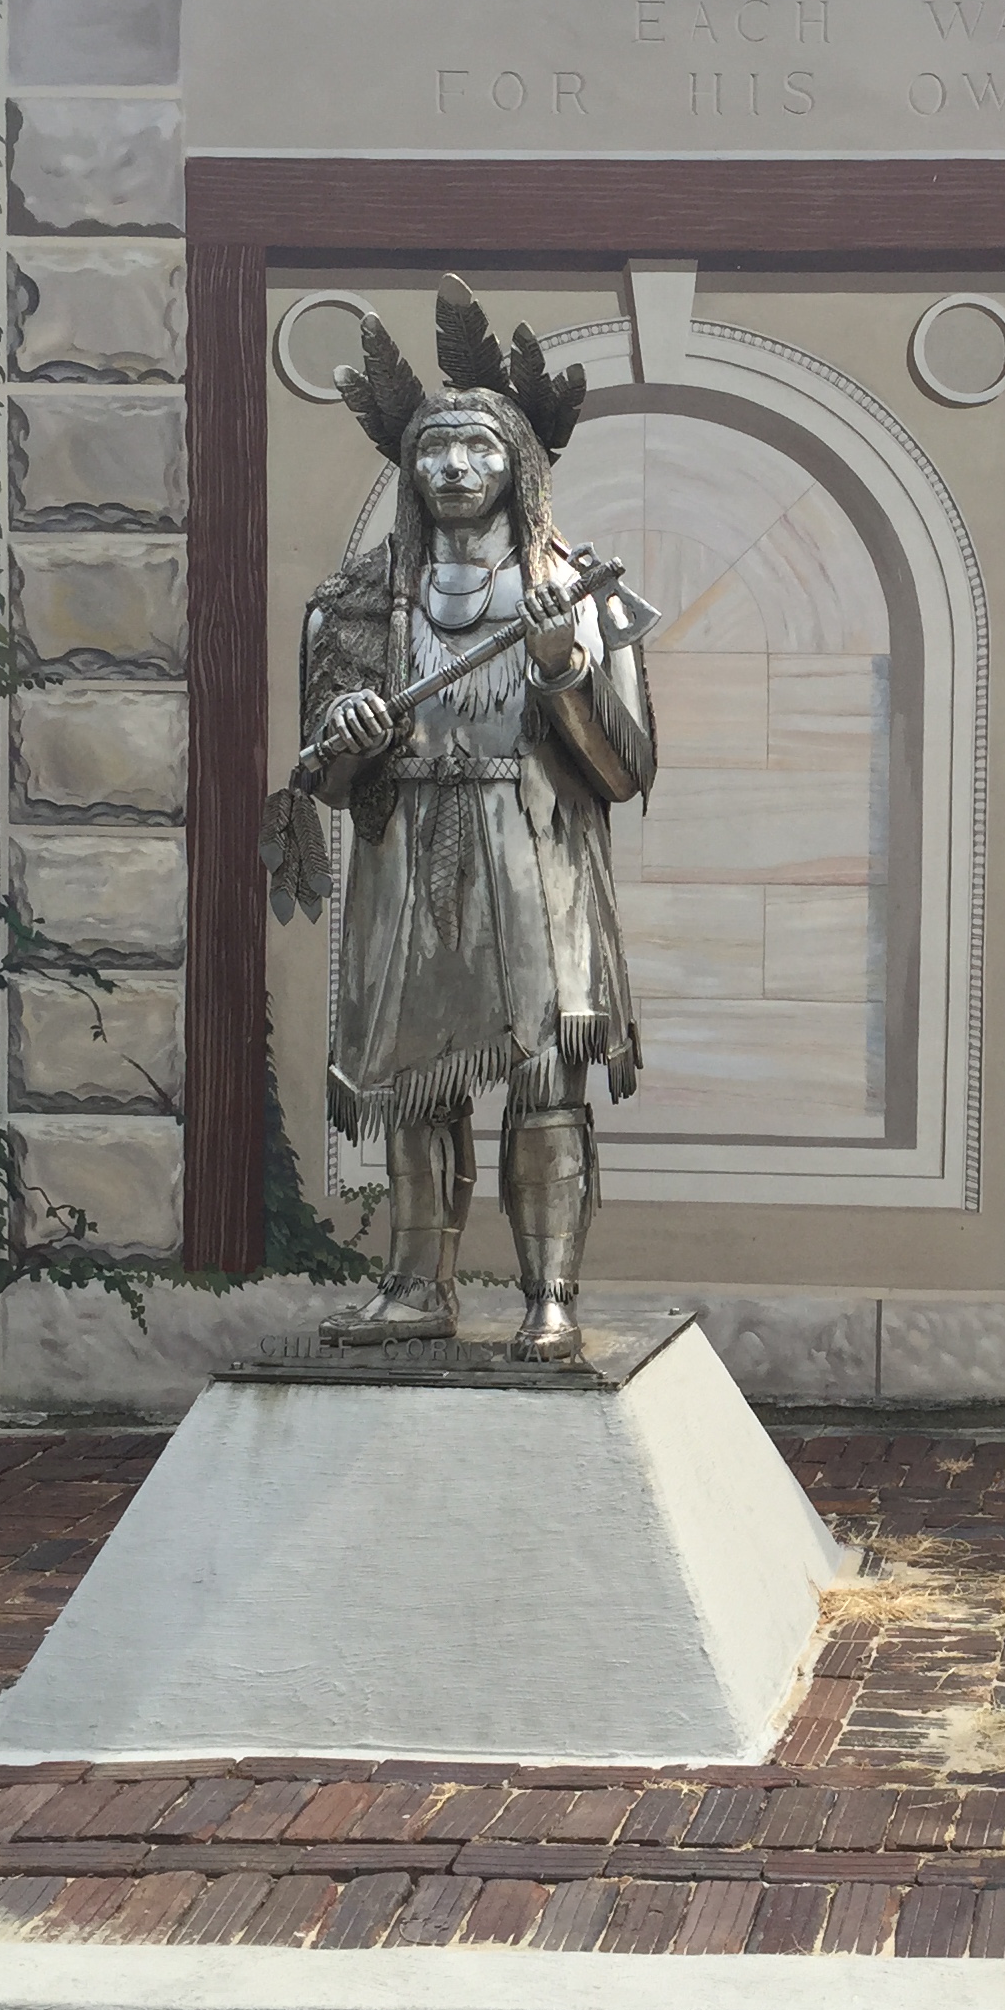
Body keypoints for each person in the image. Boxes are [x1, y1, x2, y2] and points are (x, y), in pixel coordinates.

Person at [285, 278, 654, 1359]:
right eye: (434, 449)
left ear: (518, 466)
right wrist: (348, 732)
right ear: (408, 469)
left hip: (536, 851)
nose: (453, 466)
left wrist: (561, 664)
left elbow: (626, 767)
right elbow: (325, 778)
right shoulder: (352, 604)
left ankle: (550, 1295)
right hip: (406, 858)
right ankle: (416, 1288)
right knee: (413, 1087)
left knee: (545, 1083)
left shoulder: (579, 593)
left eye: (478, 448)